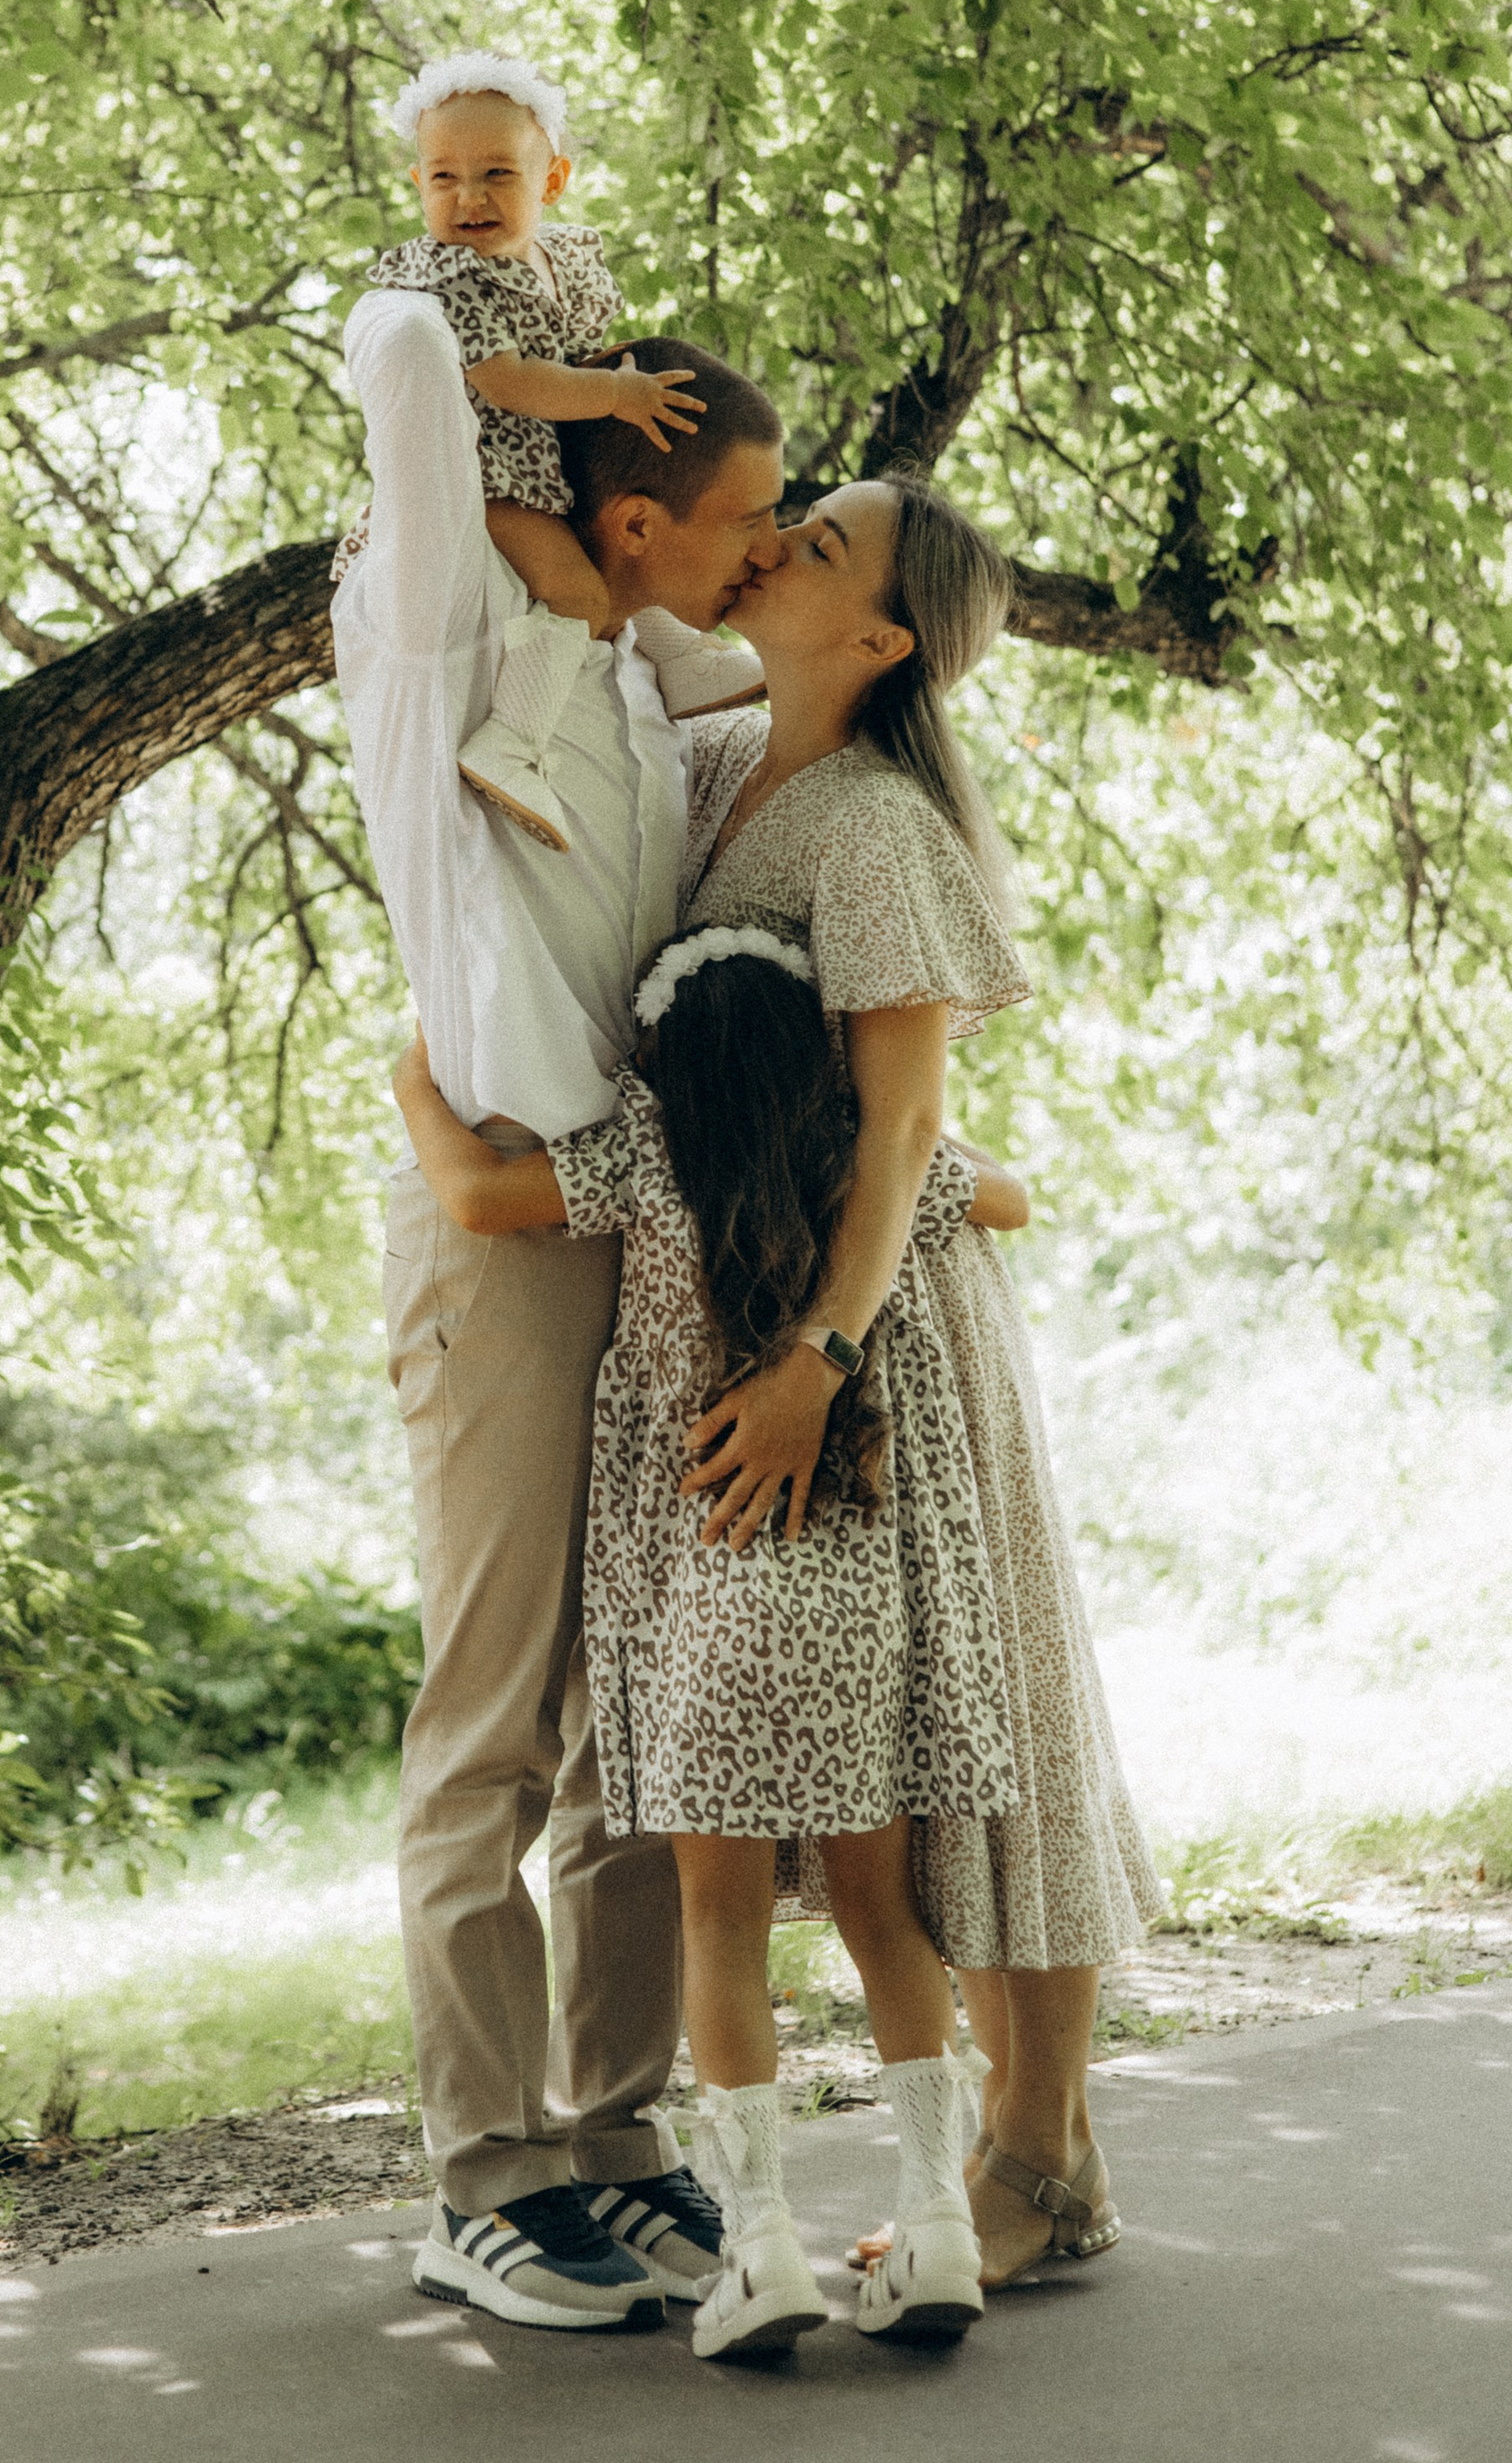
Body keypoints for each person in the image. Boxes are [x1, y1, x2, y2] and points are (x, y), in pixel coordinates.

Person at [332, 237, 786, 2330]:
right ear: (621, 512)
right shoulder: (459, 641)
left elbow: (820, 669)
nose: (760, 556)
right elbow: (404, 349)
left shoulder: (647, 682)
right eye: (735, 525)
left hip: (637, 1229)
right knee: (494, 1713)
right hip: (498, 1235)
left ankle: (606, 2134)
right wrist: (584, 376)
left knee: (633, 1718)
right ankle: (480, 2168)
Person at [393, 926, 1034, 2352]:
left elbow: (482, 1197)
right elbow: (1012, 1197)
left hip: (708, 1624)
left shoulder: (646, 1152)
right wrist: (903, 1130)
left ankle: (760, 2251)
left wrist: (416, 1086)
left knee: (722, 1926)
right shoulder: (872, 1169)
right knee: (883, 1919)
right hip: (859, 1615)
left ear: (664, 1067)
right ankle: (934, 2225)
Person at [674, 466, 1162, 2291]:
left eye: (819, 546)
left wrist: (817, 1357)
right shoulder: (737, 772)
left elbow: (893, 1146)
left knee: (990, 1730)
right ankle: (1048, 2160)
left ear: (879, 637)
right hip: (814, 1317)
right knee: (942, 1740)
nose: (782, 539)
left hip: (893, 1342)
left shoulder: (873, 827)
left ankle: (1031, 2159)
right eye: (791, 516)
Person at [333, 53, 762, 846]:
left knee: (630, 542)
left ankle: (681, 657)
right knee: (579, 593)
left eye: (497, 173)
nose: (469, 198)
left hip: (549, 459)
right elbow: (508, 383)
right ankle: (512, 743)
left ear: (552, 179)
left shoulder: (558, 259)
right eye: (443, 177)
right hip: (492, 474)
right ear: (418, 182)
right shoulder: (455, 276)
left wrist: (619, 372)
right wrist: (614, 396)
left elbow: (573, 349)